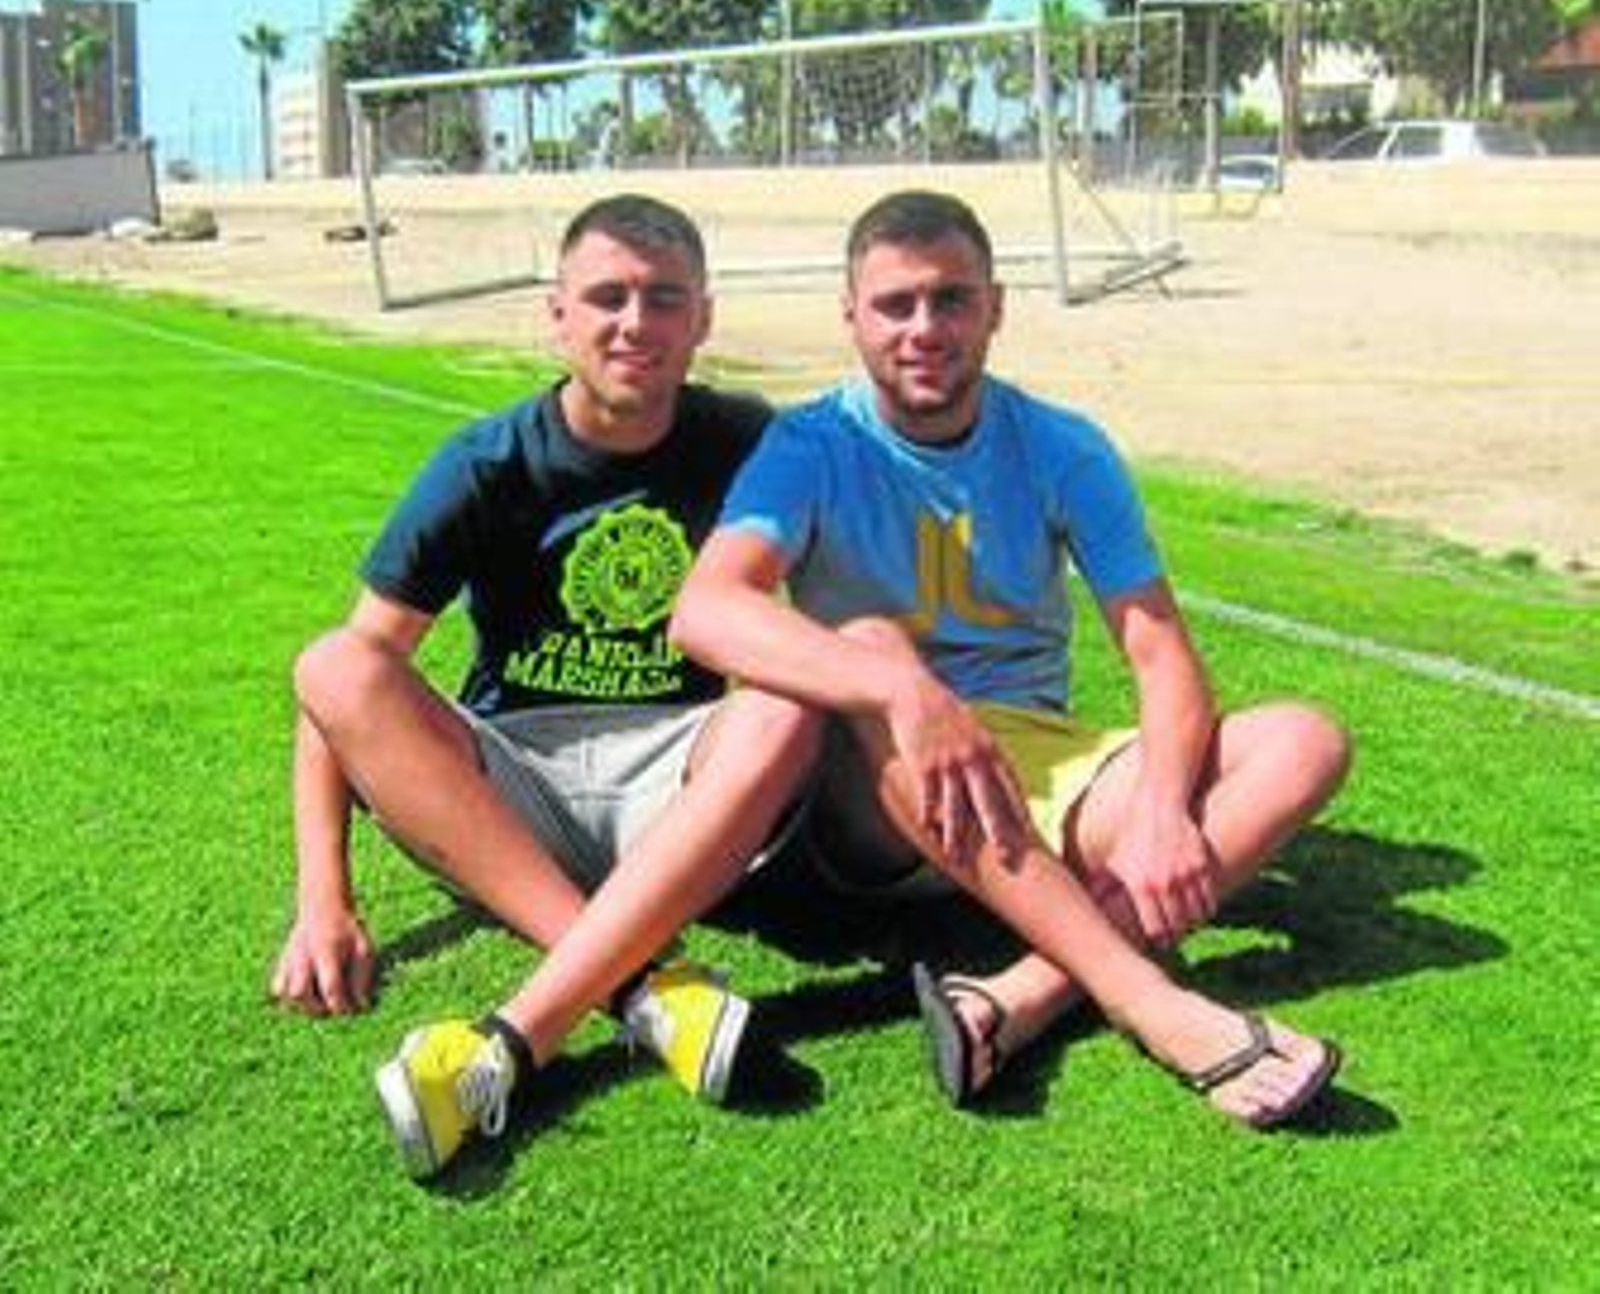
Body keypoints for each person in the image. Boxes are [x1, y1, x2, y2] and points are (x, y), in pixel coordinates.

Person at [671, 189, 1352, 1127]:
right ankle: (1145, 999)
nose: (924, 328)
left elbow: (1161, 657)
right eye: (895, 305)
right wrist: (899, 684)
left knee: (1304, 742)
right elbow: (707, 609)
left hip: (1031, 771)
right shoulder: (810, 444)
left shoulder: (1062, 446)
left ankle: (1020, 995)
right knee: (871, 644)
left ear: (995, 307)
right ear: (851, 317)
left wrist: (1160, 810)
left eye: (951, 299)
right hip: (871, 799)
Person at [270, 193, 822, 1179]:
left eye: (663, 298)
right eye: (606, 296)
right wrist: (324, 899)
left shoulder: (748, 440)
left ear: (702, 317)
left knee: (787, 697)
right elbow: (334, 697)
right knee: (334, 660)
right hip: (511, 784)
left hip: (677, 778)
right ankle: (646, 985)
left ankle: (520, 1032)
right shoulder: (486, 462)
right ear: (556, 313)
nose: (633, 322)